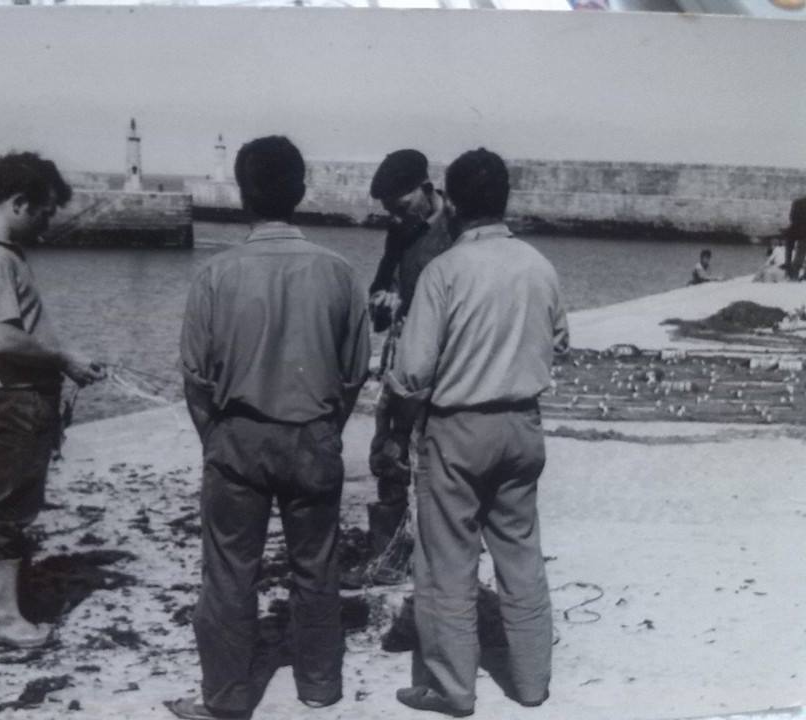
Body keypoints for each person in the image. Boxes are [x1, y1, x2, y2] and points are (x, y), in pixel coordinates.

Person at [170, 135, 371, 720]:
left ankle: (229, 699)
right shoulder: (339, 273)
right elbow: (356, 370)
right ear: (302, 193)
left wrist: (215, 438)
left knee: (230, 573)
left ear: (241, 196)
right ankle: (318, 686)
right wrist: (327, 425)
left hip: (239, 434)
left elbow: (195, 376)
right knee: (317, 566)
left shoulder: (215, 274)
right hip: (313, 434)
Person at [387, 148, 568, 717]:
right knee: (521, 555)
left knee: (447, 564)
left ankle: (452, 688)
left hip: (458, 427)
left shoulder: (445, 271)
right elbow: (560, 340)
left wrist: (398, 421)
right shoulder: (539, 264)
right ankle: (533, 682)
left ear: (455, 202)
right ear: (506, 199)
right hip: (522, 424)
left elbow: (413, 371)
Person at [0, 152, 105, 648]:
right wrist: (65, 358)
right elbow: (6, 341)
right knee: (6, 511)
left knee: (13, 506)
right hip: (11, 401)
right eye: (45, 211)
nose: (47, 223)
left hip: (15, 399)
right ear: (19, 203)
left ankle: (6, 606)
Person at [342, 149, 453, 589]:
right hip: (401, 360)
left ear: (426, 190)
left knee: (438, 464)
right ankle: (389, 558)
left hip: (445, 366)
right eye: (388, 210)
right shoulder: (398, 231)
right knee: (388, 455)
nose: (396, 216)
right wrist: (381, 302)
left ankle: (436, 558)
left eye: (400, 206)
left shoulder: (458, 230)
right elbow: (380, 289)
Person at [783, 196, 806, 280]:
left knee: (789, 250)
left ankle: (789, 270)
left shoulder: (797, 202)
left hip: (794, 230)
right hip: (803, 233)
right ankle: (796, 273)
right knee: (800, 252)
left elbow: (791, 217)